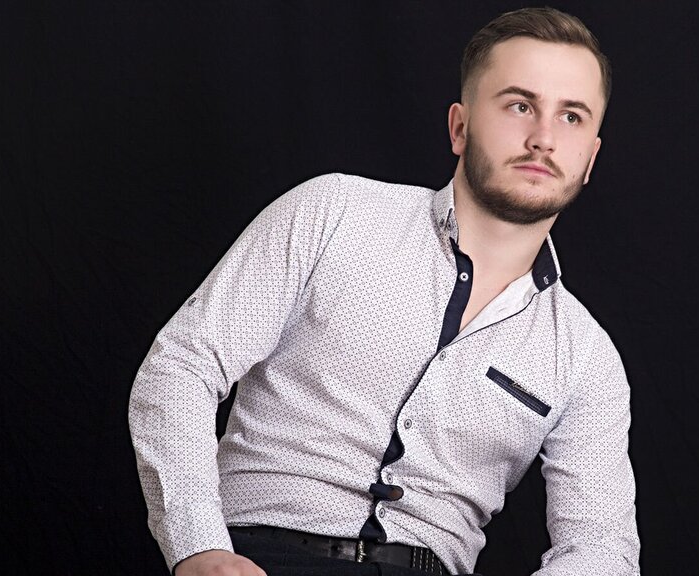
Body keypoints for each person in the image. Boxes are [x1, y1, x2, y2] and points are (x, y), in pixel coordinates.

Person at [130, 7, 640, 576]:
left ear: (590, 158)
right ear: (460, 127)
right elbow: (183, 364)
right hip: (260, 555)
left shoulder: (585, 356)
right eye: (519, 105)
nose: (543, 138)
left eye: (571, 116)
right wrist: (199, 546)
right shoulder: (333, 214)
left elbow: (601, 547)